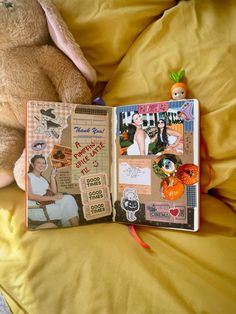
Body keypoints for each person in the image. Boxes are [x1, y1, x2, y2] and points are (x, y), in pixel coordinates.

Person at [27, 155, 79, 227]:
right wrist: (53, 198)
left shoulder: (42, 179)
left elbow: (53, 192)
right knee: (68, 208)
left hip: (47, 204)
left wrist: (52, 176)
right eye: (38, 163)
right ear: (32, 165)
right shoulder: (27, 177)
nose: (42, 165)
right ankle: (75, 230)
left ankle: (73, 230)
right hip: (37, 209)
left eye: (44, 163)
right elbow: (29, 196)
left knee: (69, 199)